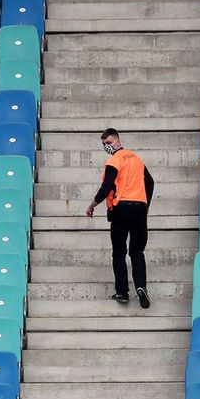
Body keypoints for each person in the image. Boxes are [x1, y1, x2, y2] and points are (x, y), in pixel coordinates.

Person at [85, 128, 156, 308]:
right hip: (139, 209)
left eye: (108, 143)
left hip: (121, 209)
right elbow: (150, 182)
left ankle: (123, 292)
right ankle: (141, 286)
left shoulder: (114, 161)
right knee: (137, 251)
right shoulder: (136, 159)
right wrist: (145, 204)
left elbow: (106, 187)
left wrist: (92, 205)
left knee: (119, 252)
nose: (107, 147)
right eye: (104, 145)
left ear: (118, 140)